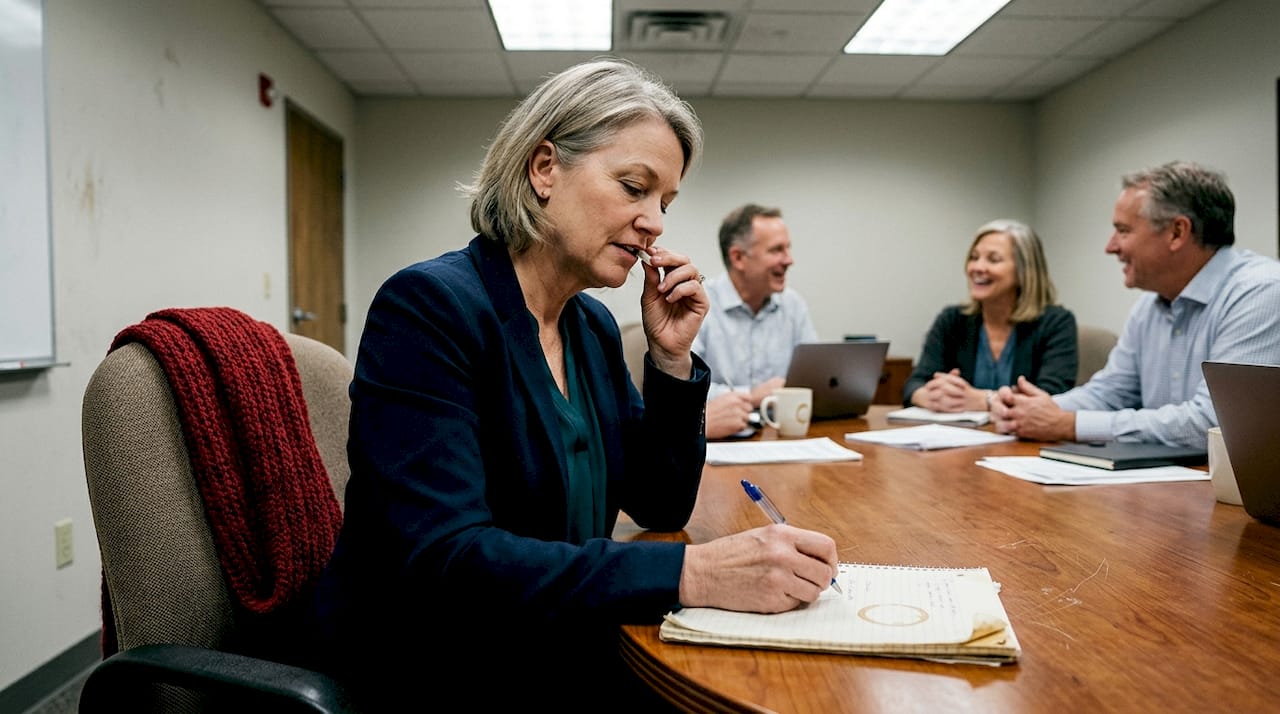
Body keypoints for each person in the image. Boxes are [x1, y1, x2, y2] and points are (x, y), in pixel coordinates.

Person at [308, 58, 839, 712]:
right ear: (544, 169)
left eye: (665, 203)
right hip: (437, 667)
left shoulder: (590, 327)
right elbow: (447, 561)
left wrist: (672, 360)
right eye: (634, 187)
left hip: (554, 641)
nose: (654, 221)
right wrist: (693, 572)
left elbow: (661, 503)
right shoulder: (428, 308)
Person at [992, 160, 1280, 448]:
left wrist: (1069, 424)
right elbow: (1109, 393)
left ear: (1177, 232)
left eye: (1123, 230)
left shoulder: (1261, 291)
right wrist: (1026, 410)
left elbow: (1215, 424)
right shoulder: (1150, 305)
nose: (1111, 247)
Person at [904, 219, 1078, 412]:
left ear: (1024, 271)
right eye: (974, 257)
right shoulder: (952, 320)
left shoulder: (1056, 323)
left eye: (993, 260)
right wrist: (932, 396)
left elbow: (1053, 396)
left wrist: (984, 400)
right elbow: (915, 384)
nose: (977, 267)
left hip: (1022, 432)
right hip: (955, 431)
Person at [693, 204, 818, 438]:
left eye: (788, 248)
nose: (789, 260)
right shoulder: (697, 305)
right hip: (716, 441)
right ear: (738, 258)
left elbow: (813, 379)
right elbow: (681, 388)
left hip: (782, 437)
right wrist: (752, 396)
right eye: (777, 250)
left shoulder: (793, 305)